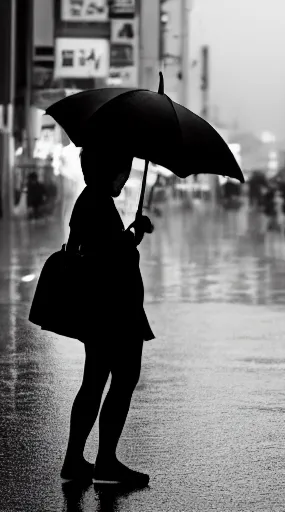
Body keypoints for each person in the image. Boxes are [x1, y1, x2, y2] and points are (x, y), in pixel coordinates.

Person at [62, 145, 155, 487]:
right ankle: (105, 462)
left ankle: (75, 460)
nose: (125, 178)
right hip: (114, 310)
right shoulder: (98, 203)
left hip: (100, 309)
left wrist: (131, 234)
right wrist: (134, 237)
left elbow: (95, 249)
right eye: (122, 172)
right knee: (124, 378)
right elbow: (111, 256)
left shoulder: (90, 199)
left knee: (95, 381)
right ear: (108, 171)